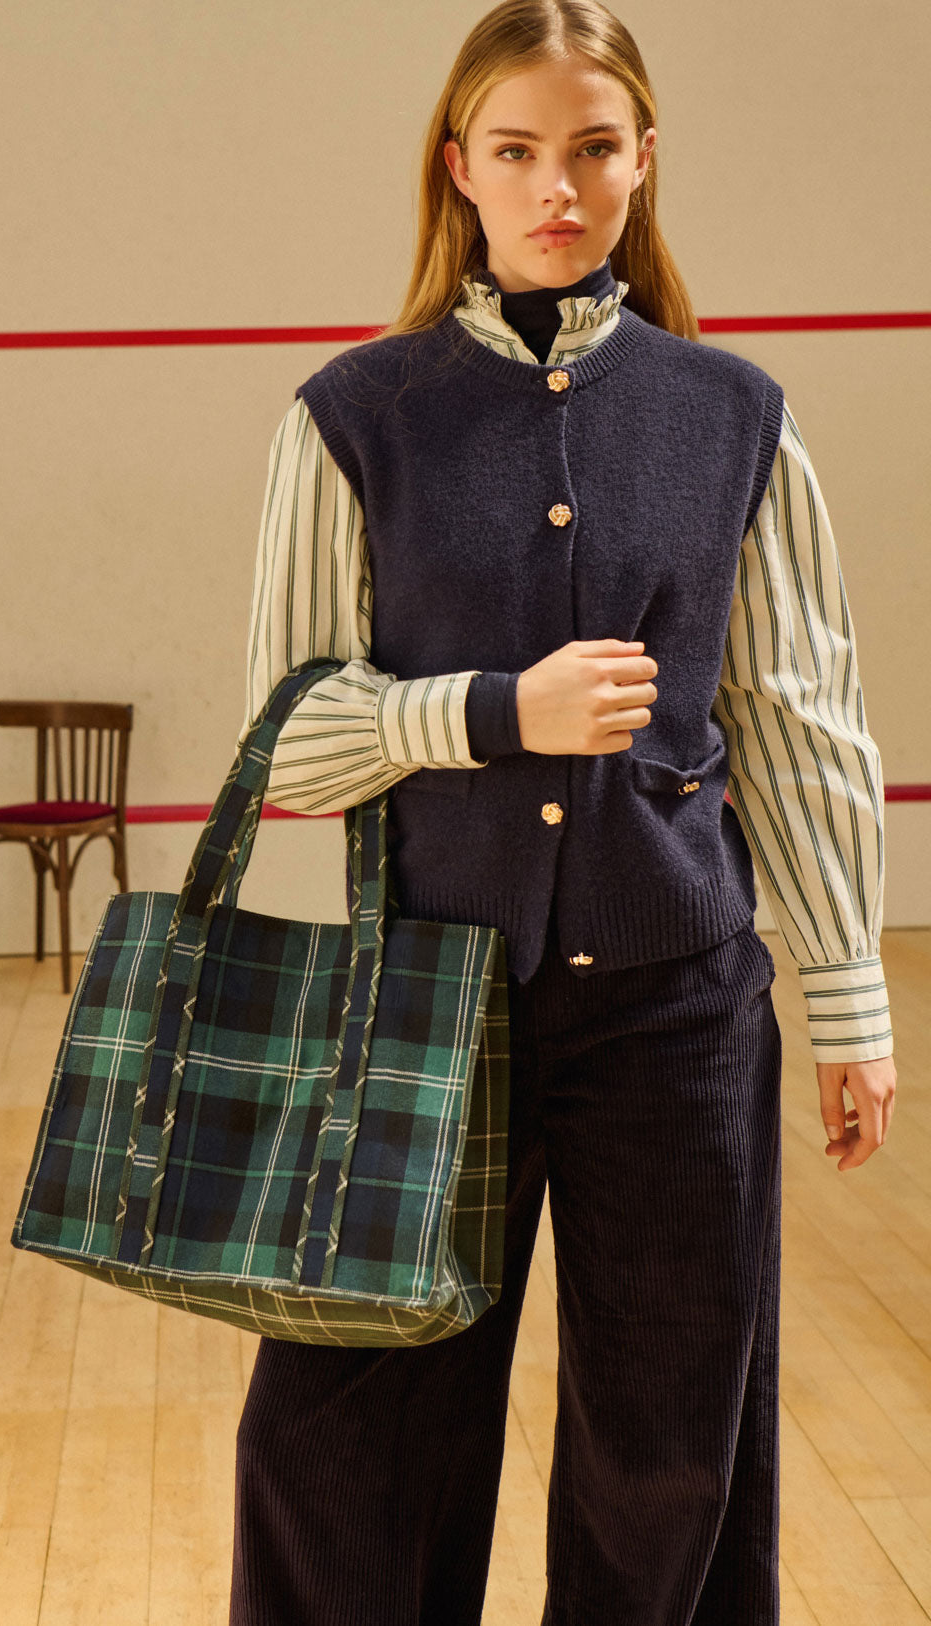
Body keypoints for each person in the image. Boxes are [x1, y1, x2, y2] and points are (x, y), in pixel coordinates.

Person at [229, 2, 898, 1622]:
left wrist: (849, 996)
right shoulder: (351, 416)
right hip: (422, 1011)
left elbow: (798, 717)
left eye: (594, 149)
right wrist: (486, 712)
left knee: (669, 1460)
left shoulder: (737, 416)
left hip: (678, 1013)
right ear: (459, 168)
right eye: (518, 150)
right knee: (348, 1450)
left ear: (643, 160)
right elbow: (286, 744)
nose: (558, 188)